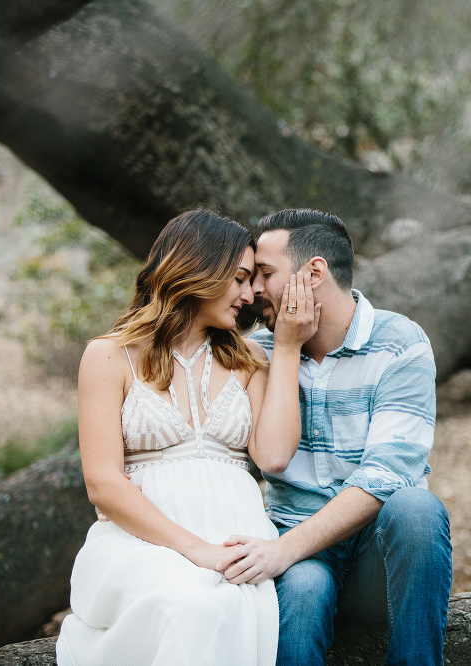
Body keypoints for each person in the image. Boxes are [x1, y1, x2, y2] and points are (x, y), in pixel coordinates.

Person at [56, 209, 316, 666]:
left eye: (254, 279)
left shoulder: (248, 358)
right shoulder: (108, 355)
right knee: (194, 606)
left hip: (237, 549)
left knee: (218, 607)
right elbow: (102, 482)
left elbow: (273, 455)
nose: (250, 293)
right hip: (141, 547)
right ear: (197, 268)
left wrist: (290, 347)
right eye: (239, 278)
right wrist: (197, 552)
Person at [215, 208, 452, 666]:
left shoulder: (400, 343)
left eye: (265, 273)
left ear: (314, 273)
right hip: (298, 558)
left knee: (418, 509)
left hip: (375, 557)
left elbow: (386, 477)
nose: (253, 289)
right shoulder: (255, 355)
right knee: (304, 589)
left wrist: (283, 550)